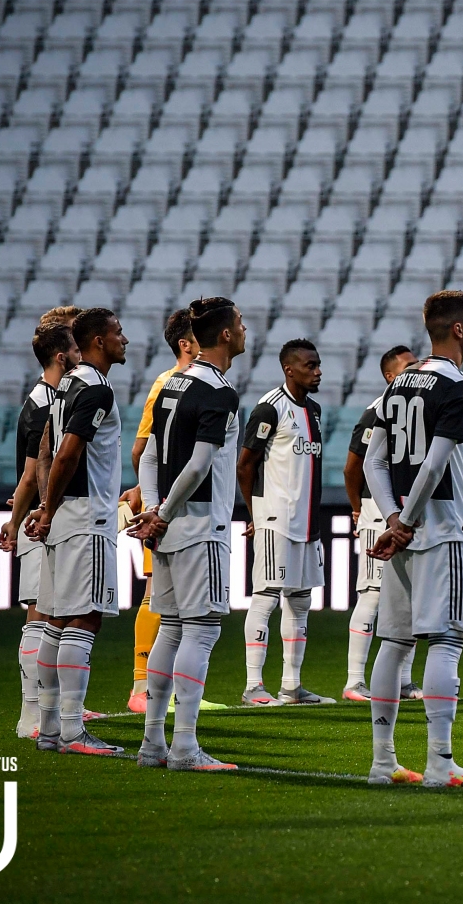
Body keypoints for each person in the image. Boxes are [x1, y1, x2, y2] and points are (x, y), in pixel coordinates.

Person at [363, 291, 463, 788]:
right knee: (445, 639)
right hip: (442, 531)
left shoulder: (397, 386)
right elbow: (436, 462)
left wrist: (394, 518)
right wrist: (408, 521)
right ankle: (441, 762)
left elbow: (375, 461)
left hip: (403, 535)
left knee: (394, 644)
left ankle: (383, 762)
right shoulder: (458, 385)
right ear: (458, 330)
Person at [127, 297, 246, 771]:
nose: (244, 330)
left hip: (172, 527)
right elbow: (199, 465)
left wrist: (156, 509)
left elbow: (151, 455)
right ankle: (186, 747)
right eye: (239, 324)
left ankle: (153, 744)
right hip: (201, 527)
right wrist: (165, 513)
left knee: (171, 631)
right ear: (223, 335)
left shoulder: (173, 383)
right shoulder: (219, 390)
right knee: (201, 631)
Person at [25, 308, 129, 756]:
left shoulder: (65, 385)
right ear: (99, 342)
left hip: (66, 513)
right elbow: (67, 452)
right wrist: (48, 507)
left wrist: (48, 504)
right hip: (89, 517)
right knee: (84, 619)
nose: (125, 340)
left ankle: (49, 729)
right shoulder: (96, 386)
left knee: (53, 621)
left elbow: (46, 448)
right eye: (118, 333)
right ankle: (72, 730)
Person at [122, 309, 227, 714]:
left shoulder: (180, 384)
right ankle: (141, 685)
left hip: (165, 510)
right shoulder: (171, 384)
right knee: (168, 607)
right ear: (187, 344)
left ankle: (153, 706)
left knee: (170, 614)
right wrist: (156, 506)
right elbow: (143, 450)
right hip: (180, 513)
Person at [237, 339, 335, 706]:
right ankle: (253, 687)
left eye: (318, 364)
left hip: (308, 521)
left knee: (301, 600)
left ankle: (291, 686)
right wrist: (255, 514)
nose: (318, 371)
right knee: (265, 598)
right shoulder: (269, 409)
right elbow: (245, 466)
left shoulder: (315, 410)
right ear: (289, 369)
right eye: (310, 365)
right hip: (275, 519)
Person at [0, 322, 79, 739]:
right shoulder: (45, 402)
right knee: (40, 617)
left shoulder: (49, 398)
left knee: (53, 617)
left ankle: (55, 708)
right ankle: (30, 714)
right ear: (61, 356)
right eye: (76, 347)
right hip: (39, 524)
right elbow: (32, 473)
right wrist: (17, 521)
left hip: (41, 519)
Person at [341, 344, 421, 702]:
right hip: (379, 510)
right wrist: (359, 508)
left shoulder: (417, 408)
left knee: (412, 597)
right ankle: (355, 680)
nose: (415, 370)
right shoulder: (378, 410)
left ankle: (404, 680)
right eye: (407, 367)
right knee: (372, 594)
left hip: (407, 512)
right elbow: (353, 466)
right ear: (390, 376)